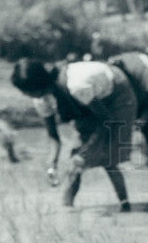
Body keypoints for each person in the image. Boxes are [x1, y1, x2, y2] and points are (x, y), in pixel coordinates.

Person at [11, 56, 138, 210]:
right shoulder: (40, 100)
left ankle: (124, 206)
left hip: (116, 94)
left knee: (104, 158)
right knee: (78, 158)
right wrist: (52, 166)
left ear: (39, 85)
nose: (26, 95)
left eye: (27, 91)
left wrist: (85, 153)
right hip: (89, 104)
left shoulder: (76, 85)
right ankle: (68, 207)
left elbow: (106, 121)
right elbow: (54, 137)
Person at [108, 51, 148, 166]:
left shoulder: (141, 73)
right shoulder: (109, 72)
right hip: (134, 80)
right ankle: (126, 157)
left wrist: (143, 118)